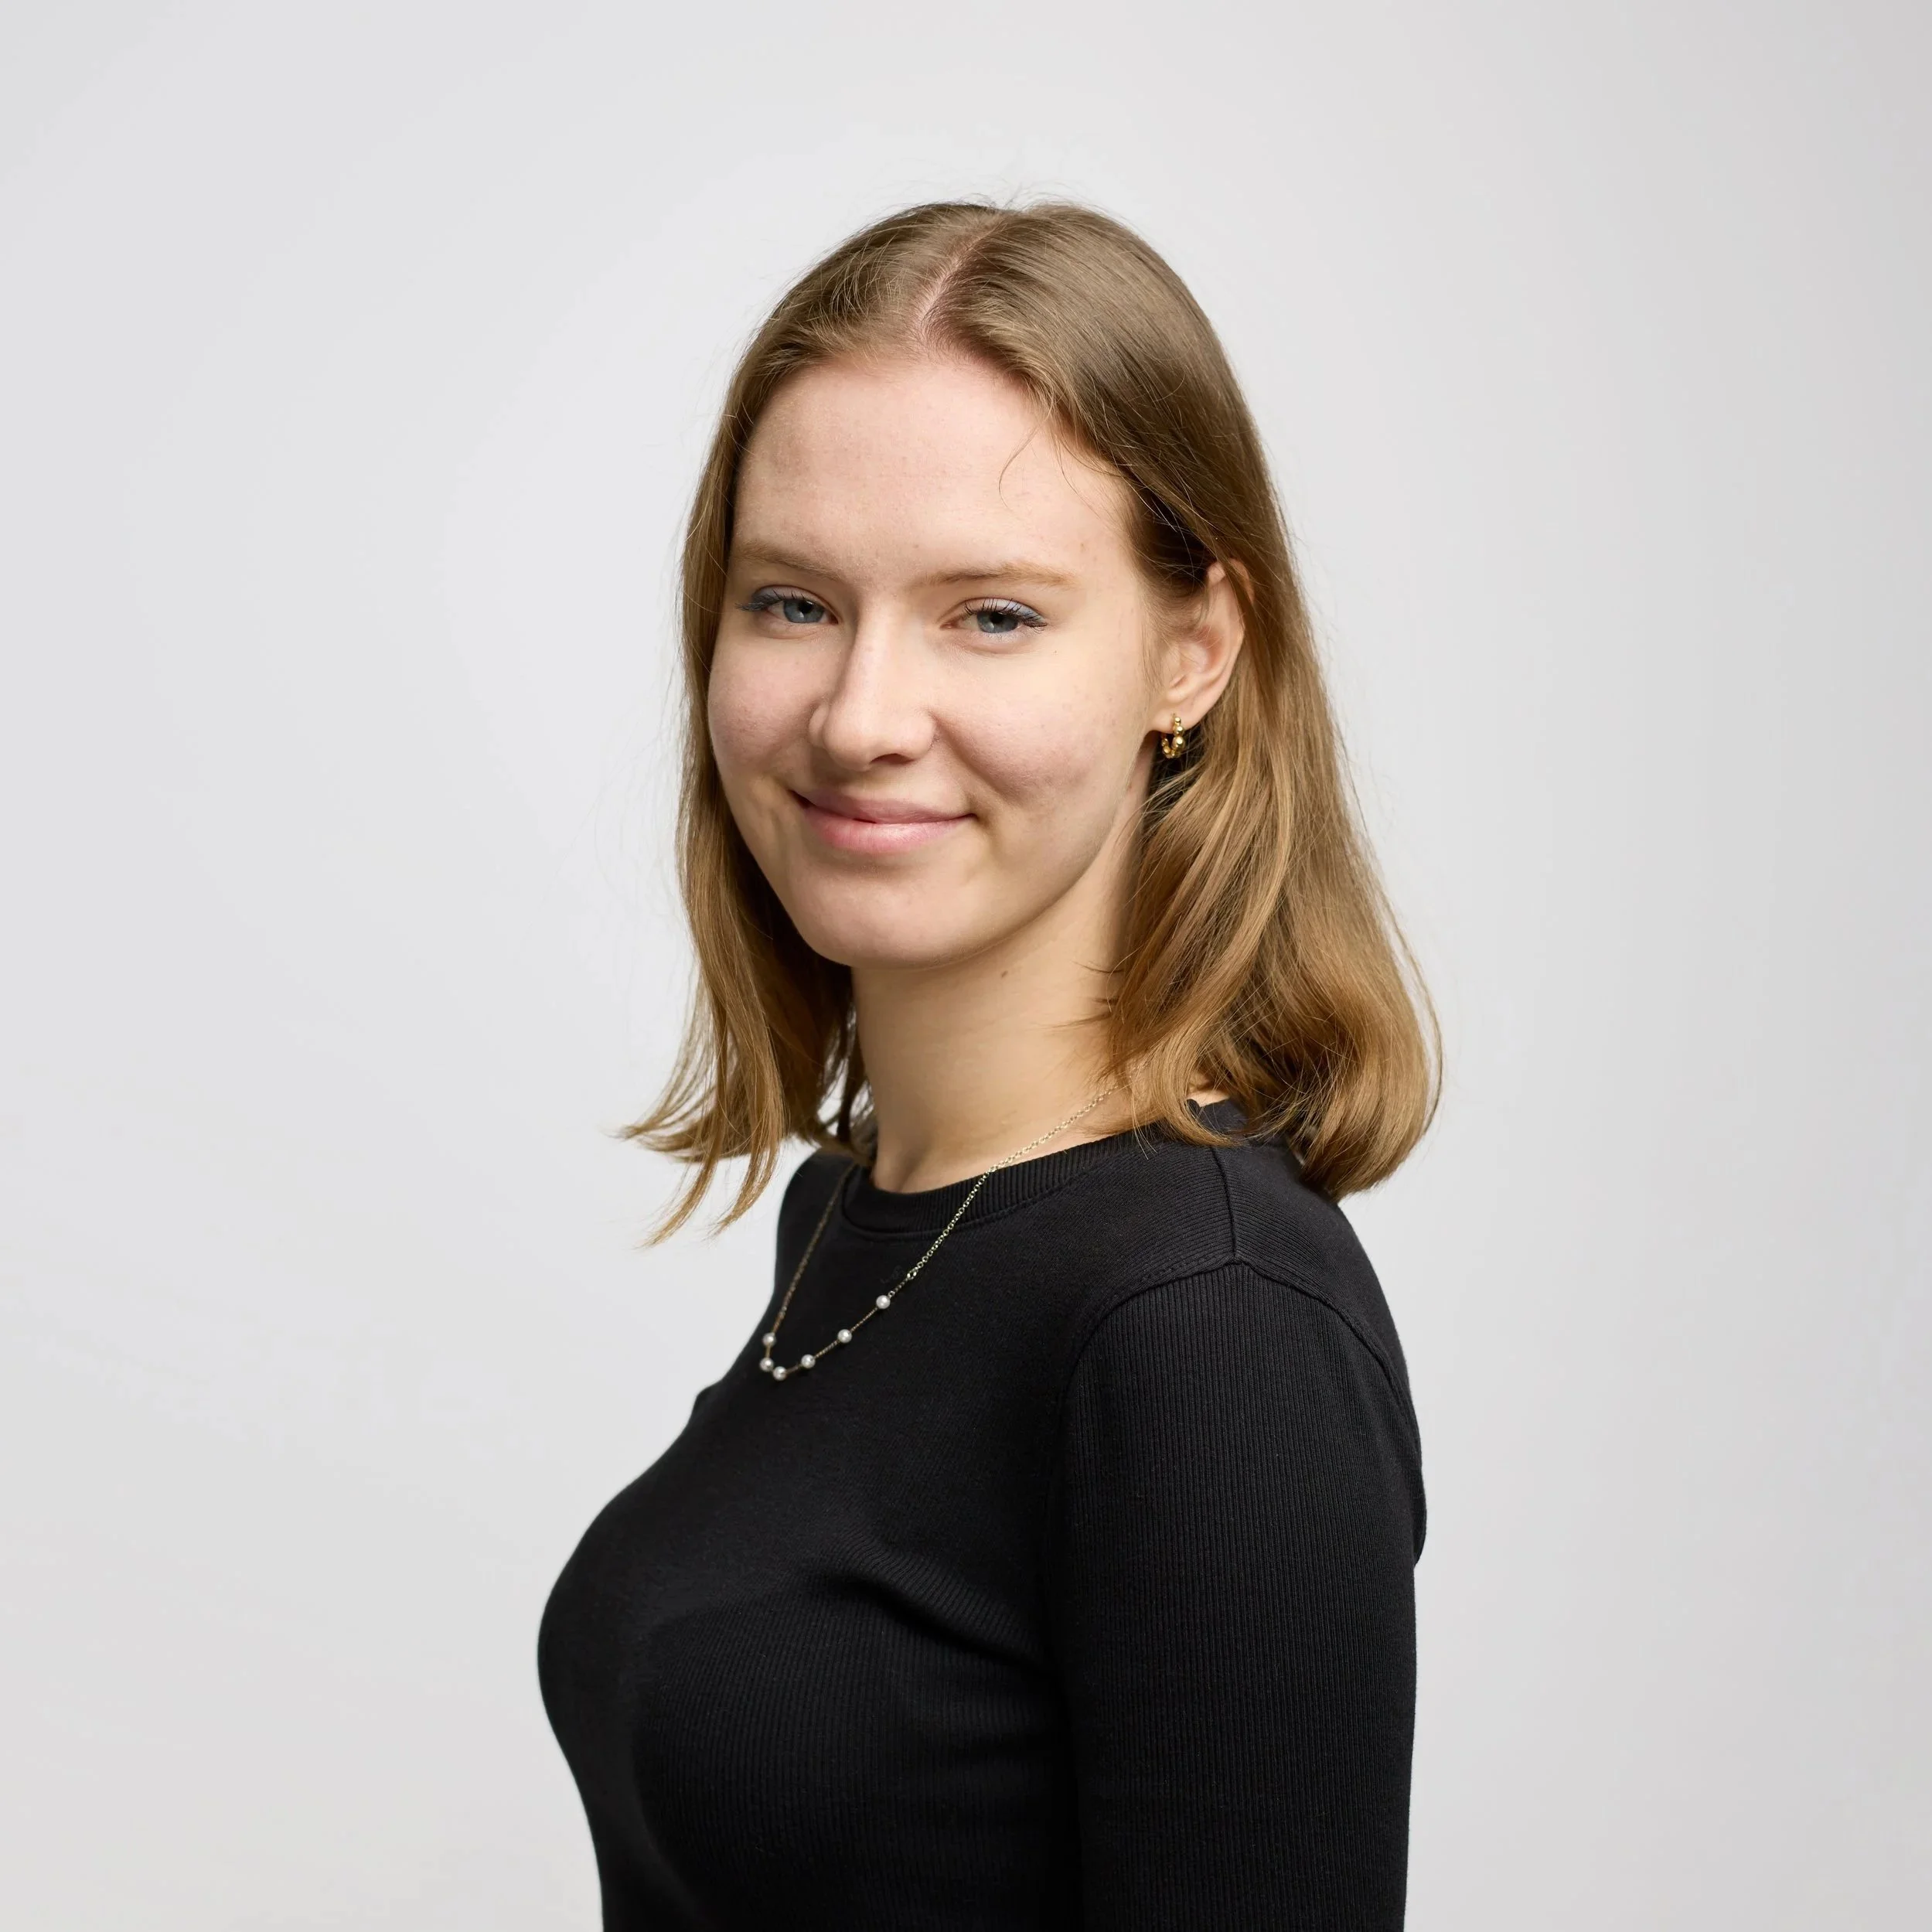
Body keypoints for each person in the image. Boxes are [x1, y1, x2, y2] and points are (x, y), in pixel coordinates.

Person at [538, 199, 1438, 1930]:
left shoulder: (1205, 1322)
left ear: (1193, 651)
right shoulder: (863, 1220)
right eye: (793, 601)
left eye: (992, 615)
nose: (860, 714)